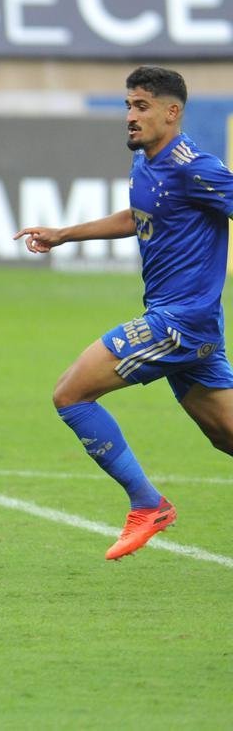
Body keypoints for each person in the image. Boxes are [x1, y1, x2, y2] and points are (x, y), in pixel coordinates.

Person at [15, 66, 233, 560]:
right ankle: (147, 502)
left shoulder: (194, 166)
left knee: (71, 394)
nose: (130, 117)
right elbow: (141, 217)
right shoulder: (148, 163)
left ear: (171, 112)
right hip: (187, 325)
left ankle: (147, 504)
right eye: (127, 106)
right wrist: (65, 233)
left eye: (141, 107)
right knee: (227, 438)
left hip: (179, 323)